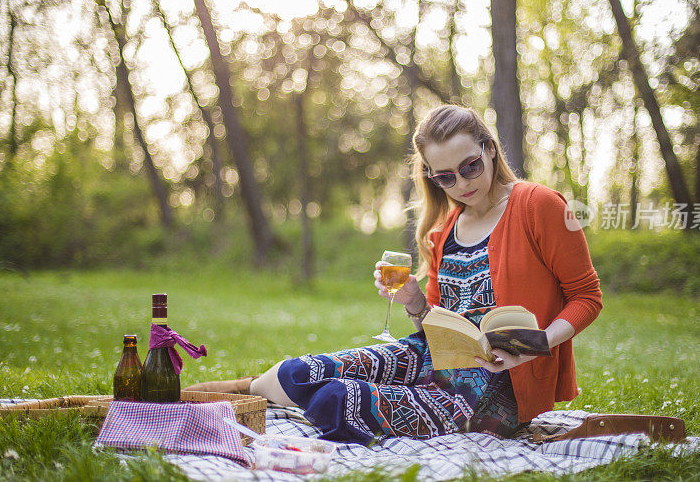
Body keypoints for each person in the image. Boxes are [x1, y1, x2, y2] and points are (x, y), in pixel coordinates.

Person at [186, 104, 602, 444]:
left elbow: (587, 296)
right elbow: (438, 325)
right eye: (445, 176)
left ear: (490, 149)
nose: (460, 183)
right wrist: (416, 304)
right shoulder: (443, 231)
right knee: (296, 372)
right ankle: (201, 398)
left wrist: (538, 342)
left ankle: (256, 399)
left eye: (470, 166)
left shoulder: (538, 205)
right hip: (433, 358)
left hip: (499, 387)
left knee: (336, 400)